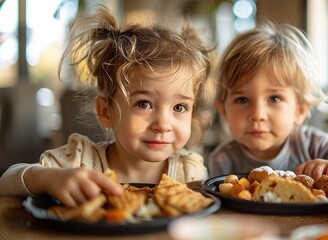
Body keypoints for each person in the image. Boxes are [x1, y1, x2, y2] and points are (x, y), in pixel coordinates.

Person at [0, 6, 213, 208]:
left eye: (179, 107)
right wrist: (47, 178)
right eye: (144, 104)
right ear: (105, 111)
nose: (163, 124)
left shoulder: (191, 171)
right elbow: (6, 183)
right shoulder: (79, 161)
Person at [208, 22, 328, 181]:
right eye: (242, 99)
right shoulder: (223, 160)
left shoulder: (312, 145)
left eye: (274, 98)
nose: (257, 114)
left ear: (300, 111)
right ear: (223, 111)